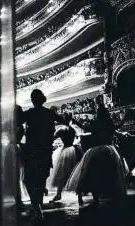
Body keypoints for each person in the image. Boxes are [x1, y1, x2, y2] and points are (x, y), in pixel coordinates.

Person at [66, 96, 127, 205]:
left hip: (96, 150)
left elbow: (86, 128)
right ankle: (110, 193)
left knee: (91, 172)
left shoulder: (96, 124)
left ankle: (93, 196)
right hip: (110, 150)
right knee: (111, 172)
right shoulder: (109, 124)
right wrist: (125, 116)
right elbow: (119, 125)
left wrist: (75, 121)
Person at [21, 89, 64, 219]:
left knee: (29, 179)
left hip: (32, 151)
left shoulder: (29, 113)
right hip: (45, 151)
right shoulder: (49, 113)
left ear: (33, 100)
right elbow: (63, 119)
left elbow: (16, 121)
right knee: (40, 180)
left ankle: (36, 206)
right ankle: (38, 206)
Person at [48, 113, 83, 203]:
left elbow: (52, 138)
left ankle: (58, 194)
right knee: (75, 172)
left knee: (62, 173)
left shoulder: (61, 130)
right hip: (74, 150)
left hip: (65, 150)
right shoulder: (72, 129)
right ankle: (80, 196)